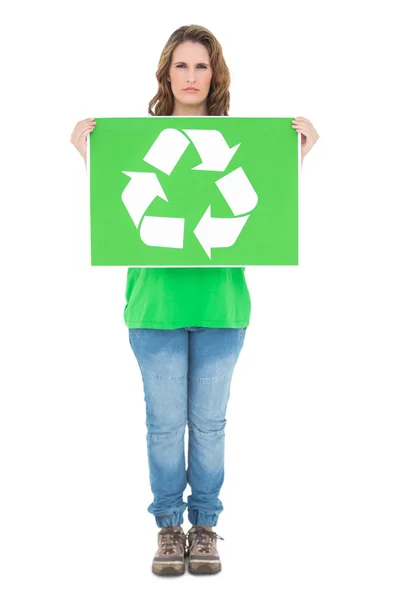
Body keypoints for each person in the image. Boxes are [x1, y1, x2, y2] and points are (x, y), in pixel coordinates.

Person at [70, 24, 319, 577]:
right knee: (164, 425)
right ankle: (167, 529)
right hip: (154, 306)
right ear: (166, 73)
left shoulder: (243, 143)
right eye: (181, 66)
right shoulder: (137, 141)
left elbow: (264, 211)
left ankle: (204, 526)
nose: (190, 76)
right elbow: (116, 210)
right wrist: (89, 154)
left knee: (208, 425)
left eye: (201, 66)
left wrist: (295, 154)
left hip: (221, 307)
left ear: (215, 74)